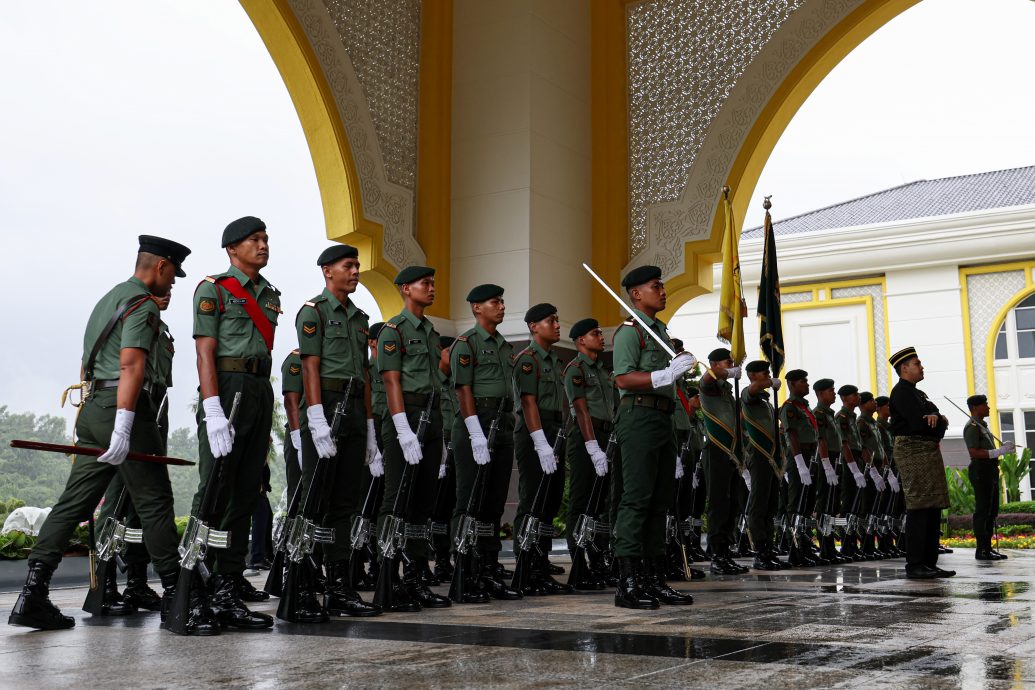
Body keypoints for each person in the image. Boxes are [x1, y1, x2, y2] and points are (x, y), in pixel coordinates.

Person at [10, 236, 191, 631]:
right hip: (122, 409)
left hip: (93, 409)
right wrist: (125, 424)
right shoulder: (142, 305)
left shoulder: (106, 299)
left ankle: (32, 594)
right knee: (155, 500)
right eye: (173, 276)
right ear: (160, 266)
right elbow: (131, 366)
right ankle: (180, 600)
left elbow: (85, 364)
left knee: (74, 502)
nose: (172, 284)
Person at [191, 216, 279, 630]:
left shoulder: (269, 295)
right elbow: (205, 353)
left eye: (264, 239)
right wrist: (212, 408)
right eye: (253, 240)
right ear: (232, 249)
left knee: (247, 490)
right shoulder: (214, 289)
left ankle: (227, 583)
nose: (262, 245)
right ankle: (193, 580)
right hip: (226, 388)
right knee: (214, 488)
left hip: (260, 389)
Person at [291, 244, 383, 620]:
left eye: (358, 265)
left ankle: (339, 586)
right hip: (324, 405)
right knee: (315, 498)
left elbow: (363, 375)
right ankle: (302, 583)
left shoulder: (361, 318)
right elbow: (309, 367)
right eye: (349, 265)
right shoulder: (313, 312)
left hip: (354, 408)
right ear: (328, 271)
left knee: (346, 502)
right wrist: (315, 416)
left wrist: (371, 428)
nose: (356, 271)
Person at [611, 265, 695, 609]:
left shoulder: (659, 330)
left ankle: (654, 578)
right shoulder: (631, 332)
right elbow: (623, 379)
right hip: (639, 416)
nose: (663, 291)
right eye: (656, 286)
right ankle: (627, 582)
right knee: (637, 499)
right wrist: (664, 374)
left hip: (662, 420)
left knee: (660, 501)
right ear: (635, 294)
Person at [95, 292, 176, 616]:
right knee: (116, 498)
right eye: (161, 287)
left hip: (155, 408)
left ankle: (137, 582)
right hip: (126, 408)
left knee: (142, 506)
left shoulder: (163, 329)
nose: (166, 293)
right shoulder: (127, 317)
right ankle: (104, 582)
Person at [376, 265, 450, 611]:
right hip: (406, 417)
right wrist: (402, 426)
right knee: (397, 500)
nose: (431, 288)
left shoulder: (432, 333)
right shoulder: (395, 330)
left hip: (432, 417)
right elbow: (392, 381)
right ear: (406, 289)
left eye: (433, 283)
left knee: (423, 504)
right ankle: (387, 575)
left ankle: (415, 577)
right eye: (425, 283)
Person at [450, 284, 520, 602]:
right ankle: (465, 571)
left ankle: (489, 570)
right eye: (495, 302)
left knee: (493, 504)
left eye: (503, 301)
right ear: (477, 308)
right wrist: (475, 431)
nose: (502, 306)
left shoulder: (505, 347)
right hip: (476, 424)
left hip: (503, 425)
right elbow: (463, 390)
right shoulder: (466, 344)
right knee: (470, 501)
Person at [511, 304, 571, 596]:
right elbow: (528, 402)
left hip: (554, 431)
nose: (557, 325)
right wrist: (539, 441)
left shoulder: (554, 361)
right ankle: (526, 565)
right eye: (551, 321)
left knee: (549, 500)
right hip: (536, 432)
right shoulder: (529, 359)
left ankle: (541, 562)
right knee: (533, 500)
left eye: (557, 320)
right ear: (534, 326)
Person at [888, 346, 954, 579]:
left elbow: (939, 423)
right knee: (919, 506)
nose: (921, 366)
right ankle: (915, 563)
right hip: (912, 451)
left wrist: (939, 419)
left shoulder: (919, 394)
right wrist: (936, 420)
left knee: (933, 506)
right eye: (917, 363)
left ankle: (929, 562)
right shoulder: (901, 393)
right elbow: (919, 424)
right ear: (904, 368)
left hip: (926, 451)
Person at [563, 318, 615, 590]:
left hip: (606, 434)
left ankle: (597, 560)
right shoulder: (576, 368)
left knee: (600, 503)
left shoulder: (603, 371)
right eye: (596, 333)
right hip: (586, 437)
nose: (601, 336)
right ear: (581, 340)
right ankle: (579, 562)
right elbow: (581, 409)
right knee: (582, 501)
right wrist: (592, 445)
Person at [699, 348, 749, 576]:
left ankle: (726, 552)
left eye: (731, 362)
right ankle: (717, 555)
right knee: (720, 504)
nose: (731, 364)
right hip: (717, 450)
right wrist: (727, 373)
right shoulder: (710, 387)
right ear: (714, 363)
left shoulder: (727, 391)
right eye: (727, 361)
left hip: (732, 452)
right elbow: (707, 377)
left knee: (733, 505)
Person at [964, 394, 1014, 561]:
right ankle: (982, 549)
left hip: (990, 469)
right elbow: (973, 452)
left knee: (991, 510)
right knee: (983, 510)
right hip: (981, 470)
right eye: (985, 404)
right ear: (975, 408)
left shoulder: (982, 425)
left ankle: (988, 547)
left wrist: (1000, 450)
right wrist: (998, 452)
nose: (988, 407)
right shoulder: (972, 426)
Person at [431, 336, 460, 582]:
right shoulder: (433, 382)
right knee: (437, 507)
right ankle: (439, 559)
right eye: (450, 352)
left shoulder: (456, 383)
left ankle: (447, 558)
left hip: (456, 445)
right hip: (438, 446)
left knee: (451, 503)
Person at [812, 379, 847, 563]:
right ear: (819, 394)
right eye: (830, 391)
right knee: (824, 506)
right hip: (826, 460)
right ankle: (825, 548)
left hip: (835, 460)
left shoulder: (830, 414)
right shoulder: (818, 414)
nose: (834, 394)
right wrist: (826, 464)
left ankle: (831, 546)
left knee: (833, 507)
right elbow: (821, 440)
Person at [835, 385, 868, 561]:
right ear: (845, 398)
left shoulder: (852, 418)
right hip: (848, 462)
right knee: (848, 505)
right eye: (855, 395)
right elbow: (844, 444)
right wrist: (854, 468)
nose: (858, 397)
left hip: (857, 460)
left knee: (857, 504)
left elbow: (860, 445)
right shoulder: (841, 417)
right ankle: (846, 544)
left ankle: (853, 544)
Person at [857, 392, 889, 559]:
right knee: (867, 506)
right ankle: (866, 544)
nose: (874, 403)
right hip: (869, 468)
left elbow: (881, 448)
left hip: (879, 465)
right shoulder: (861, 423)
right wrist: (872, 470)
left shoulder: (874, 424)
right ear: (862, 405)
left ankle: (876, 544)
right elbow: (864, 449)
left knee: (878, 507)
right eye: (870, 401)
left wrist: (886, 469)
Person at [280, 349, 303, 500]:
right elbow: (291, 402)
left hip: (319, 432)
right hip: (299, 431)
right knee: (297, 493)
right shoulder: (296, 359)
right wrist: (299, 441)